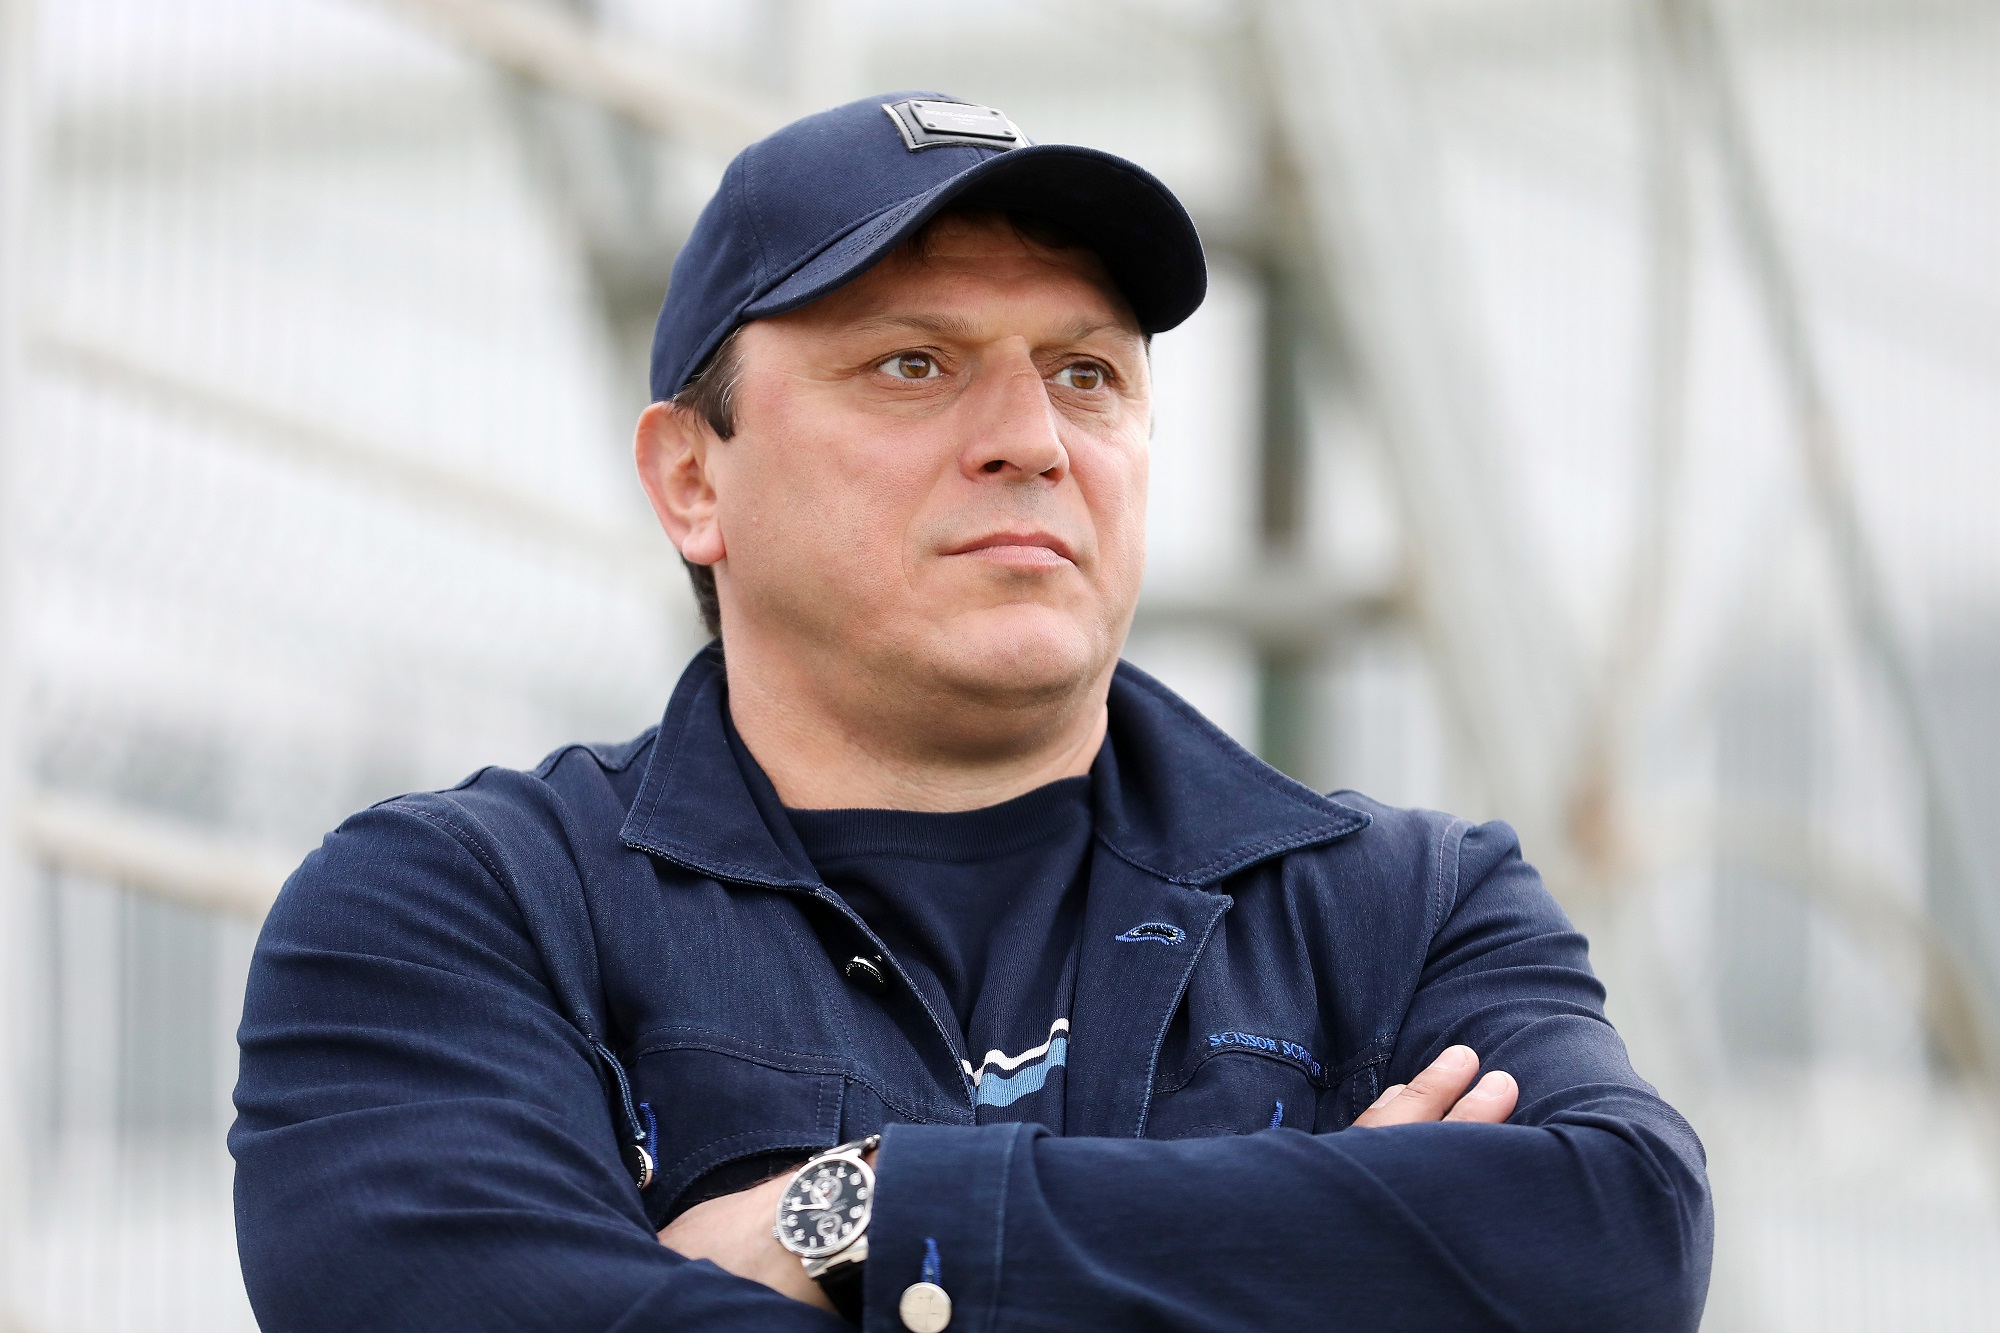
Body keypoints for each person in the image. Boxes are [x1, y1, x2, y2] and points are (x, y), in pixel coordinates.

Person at [231, 93, 1712, 1332]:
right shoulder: (453, 916)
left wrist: (872, 1213)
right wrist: (1312, 1258)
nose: (1030, 440)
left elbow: (1621, 1237)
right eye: (913, 365)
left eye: (1087, 374)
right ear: (691, 478)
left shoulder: (1406, 908)